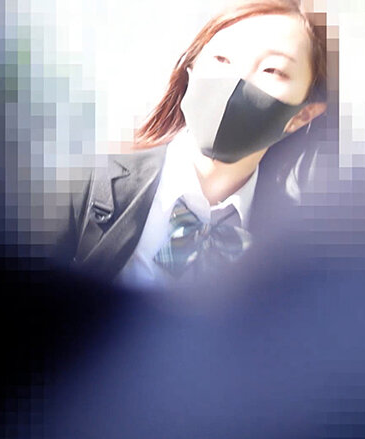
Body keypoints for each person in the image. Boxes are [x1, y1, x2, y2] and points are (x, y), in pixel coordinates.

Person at [53, 0, 329, 289]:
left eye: (272, 70)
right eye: (222, 58)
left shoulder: (301, 249)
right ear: (191, 69)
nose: (236, 81)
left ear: (304, 114)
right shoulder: (87, 182)